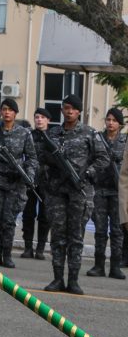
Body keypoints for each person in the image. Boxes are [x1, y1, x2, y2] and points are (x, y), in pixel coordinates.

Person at [38, 95, 108, 295]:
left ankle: (74, 280)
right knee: (58, 236)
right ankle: (58, 278)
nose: (68, 111)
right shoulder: (53, 134)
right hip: (57, 192)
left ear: (79, 112)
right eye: (65, 108)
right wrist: (50, 166)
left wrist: (88, 173)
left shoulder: (89, 134)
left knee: (76, 237)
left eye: (73, 109)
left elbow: (103, 158)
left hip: (79, 192)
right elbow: (41, 157)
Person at [0, 98, 37, 269]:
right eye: (4, 109)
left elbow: (32, 158)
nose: (7, 113)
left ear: (15, 113)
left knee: (9, 220)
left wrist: (29, 176)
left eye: (10, 110)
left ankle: (7, 254)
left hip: (15, 183)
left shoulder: (24, 133)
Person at [86, 108, 125, 279]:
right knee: (100, 231)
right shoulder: (98, 139)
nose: (110, 123)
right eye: (108, 119)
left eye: (114, 120)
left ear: (120, 124)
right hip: (100, 190)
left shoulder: (125, 141)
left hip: (118, 192)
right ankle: (98, 265)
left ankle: (115, 267)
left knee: (117, 231)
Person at [23, 108, 52, 259]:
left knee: (45, 216)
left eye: (42, 117)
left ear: (48, 120)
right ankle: (28, 247)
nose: (39, 120)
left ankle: (40, 249)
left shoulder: (53, 137)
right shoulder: (29, 136)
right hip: (30, 180)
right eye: (37, 117)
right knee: (28, 214)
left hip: (47, 183)